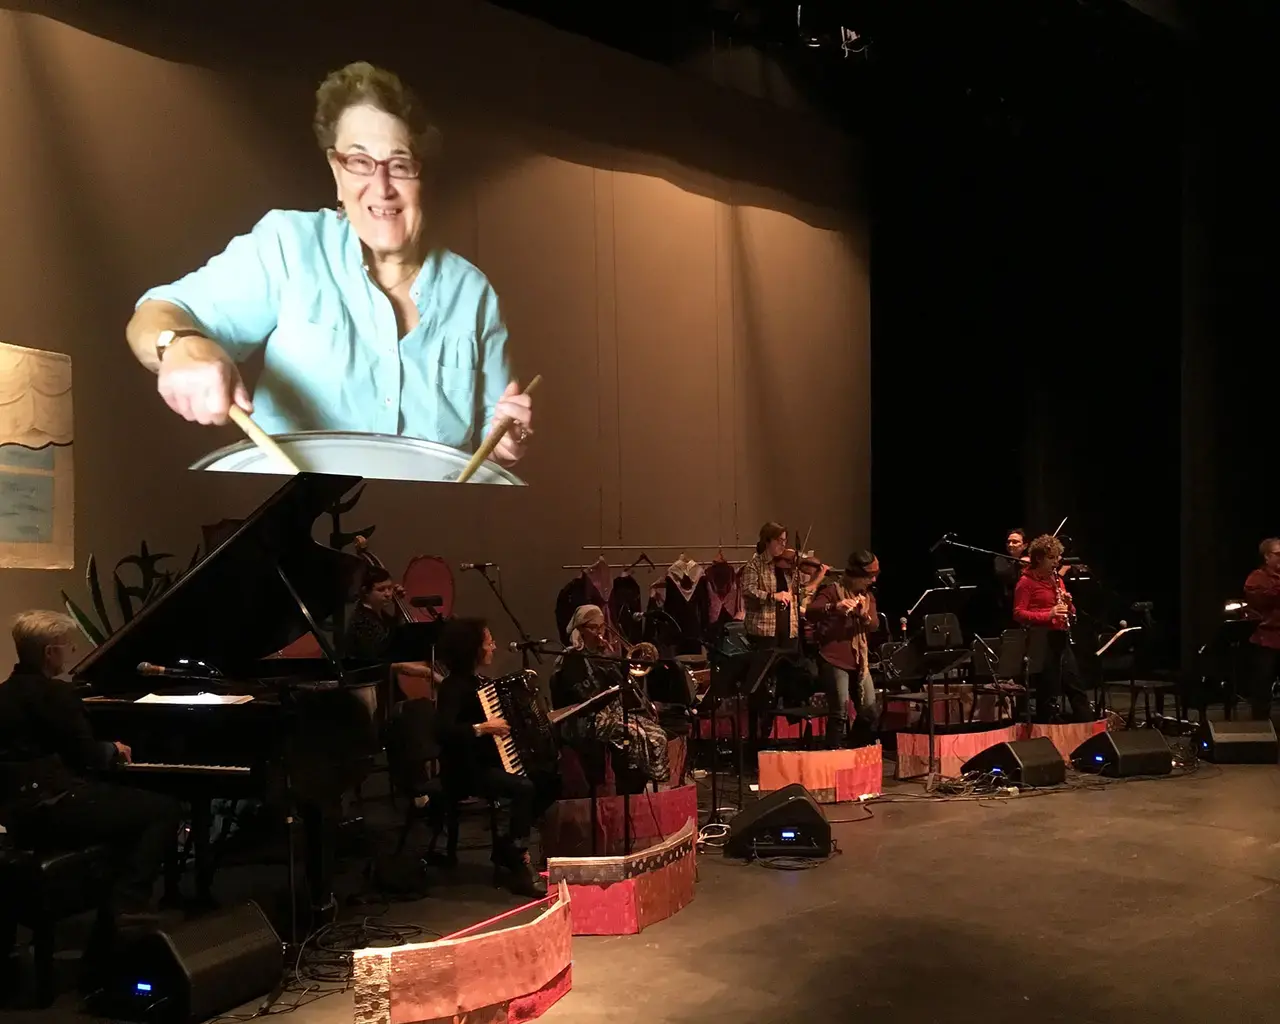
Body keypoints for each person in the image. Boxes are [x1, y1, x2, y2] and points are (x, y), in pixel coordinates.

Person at [125, 61, 533, 466]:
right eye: (359, 162)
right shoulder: (289, 246)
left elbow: (488, 446)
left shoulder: (473, 294)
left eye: (400, 164)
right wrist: (177, 346)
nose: (382, 186)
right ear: (336, 172)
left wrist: (503, 444)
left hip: (429, 524)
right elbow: (154, 316)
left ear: (421, 176)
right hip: (297, 522)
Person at [0, 613, 179, 963]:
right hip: (55, 806)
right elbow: (88, 755)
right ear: (51, 653)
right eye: (67, 647)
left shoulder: (3, 694)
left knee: (123, 814)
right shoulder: (55, 694)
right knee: (163, 809)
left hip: (18, 813)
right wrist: (115, 749)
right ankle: (125, 910)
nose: (69, 652)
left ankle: (110, 919)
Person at [434, 618, 558, 897]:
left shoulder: (482, 683)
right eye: (488, 642)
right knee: (523, 788)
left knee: (548, 779)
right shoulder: (453, 687)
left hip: (487, 763)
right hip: (463, 770)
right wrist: (481, 728)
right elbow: (442, 732)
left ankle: (506, 845)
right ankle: (517, 859)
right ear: (472, 649)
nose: (494, 647)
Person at [550, 605, 670, 789]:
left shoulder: (604, 654)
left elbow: (620, 686)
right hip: (583, 719)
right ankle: (629, 789)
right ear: (580, 629)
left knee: (657, 733)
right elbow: (586, 695)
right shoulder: (571, 658)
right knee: (633, 733)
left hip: (609, 713)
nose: (600, 632)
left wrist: (618, 665)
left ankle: (644, 788)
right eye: (594, 627)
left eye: (602, 627)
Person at [1012, 536, 1094, 722]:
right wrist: (1048, 615)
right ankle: (1047, 730)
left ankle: (1088, 727)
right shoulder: (1026, 583)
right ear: (1039, 559)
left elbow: (1068, 611)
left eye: (1058, 557)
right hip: (1041, 640)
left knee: (1075, 686)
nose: (1057, 561)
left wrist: (1069, 606)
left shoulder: (1055, 579)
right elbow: (1018, 613)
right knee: (1048, 690)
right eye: (1053, 557)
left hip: (1060, 636)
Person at [807, 552, 882, 748]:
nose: (872, 580)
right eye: (869, 576)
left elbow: (874, 625)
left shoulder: (867, 597)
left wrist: (863, 616)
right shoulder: (832, 591)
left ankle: (853, 750)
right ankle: (832, 757)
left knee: (870, 710)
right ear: (856, 576)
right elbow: (811, 612)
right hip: (833, 657)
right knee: (839, 711)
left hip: (859, 659)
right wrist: (835, 607)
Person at [345, 563, 440, 697]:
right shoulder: (362, 621)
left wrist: (398, 606)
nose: (388, 594)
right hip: (369, 687)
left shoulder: (379, 614)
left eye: (390, 588)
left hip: (383, 682)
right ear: (365, 591)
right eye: (381, 589)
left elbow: (393, 636)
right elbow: (382, 661)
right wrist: (426, 672)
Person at [1241, 538, 1280, 721]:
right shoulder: (1257, 578)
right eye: (1278, 554)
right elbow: (1263, 598)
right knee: (1262, 691)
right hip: (1267, 640)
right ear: (1267, 557)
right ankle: (1261, 730)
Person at [993, 527, 1029, 627]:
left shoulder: (1030, 561)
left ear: (1025, 545)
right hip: (1008, 607)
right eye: (1009, 542)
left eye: (1015, 542)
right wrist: (1018, 563)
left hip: (1029, 606)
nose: (1010, 545)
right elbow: (1005, 575)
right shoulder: (1000, 559)